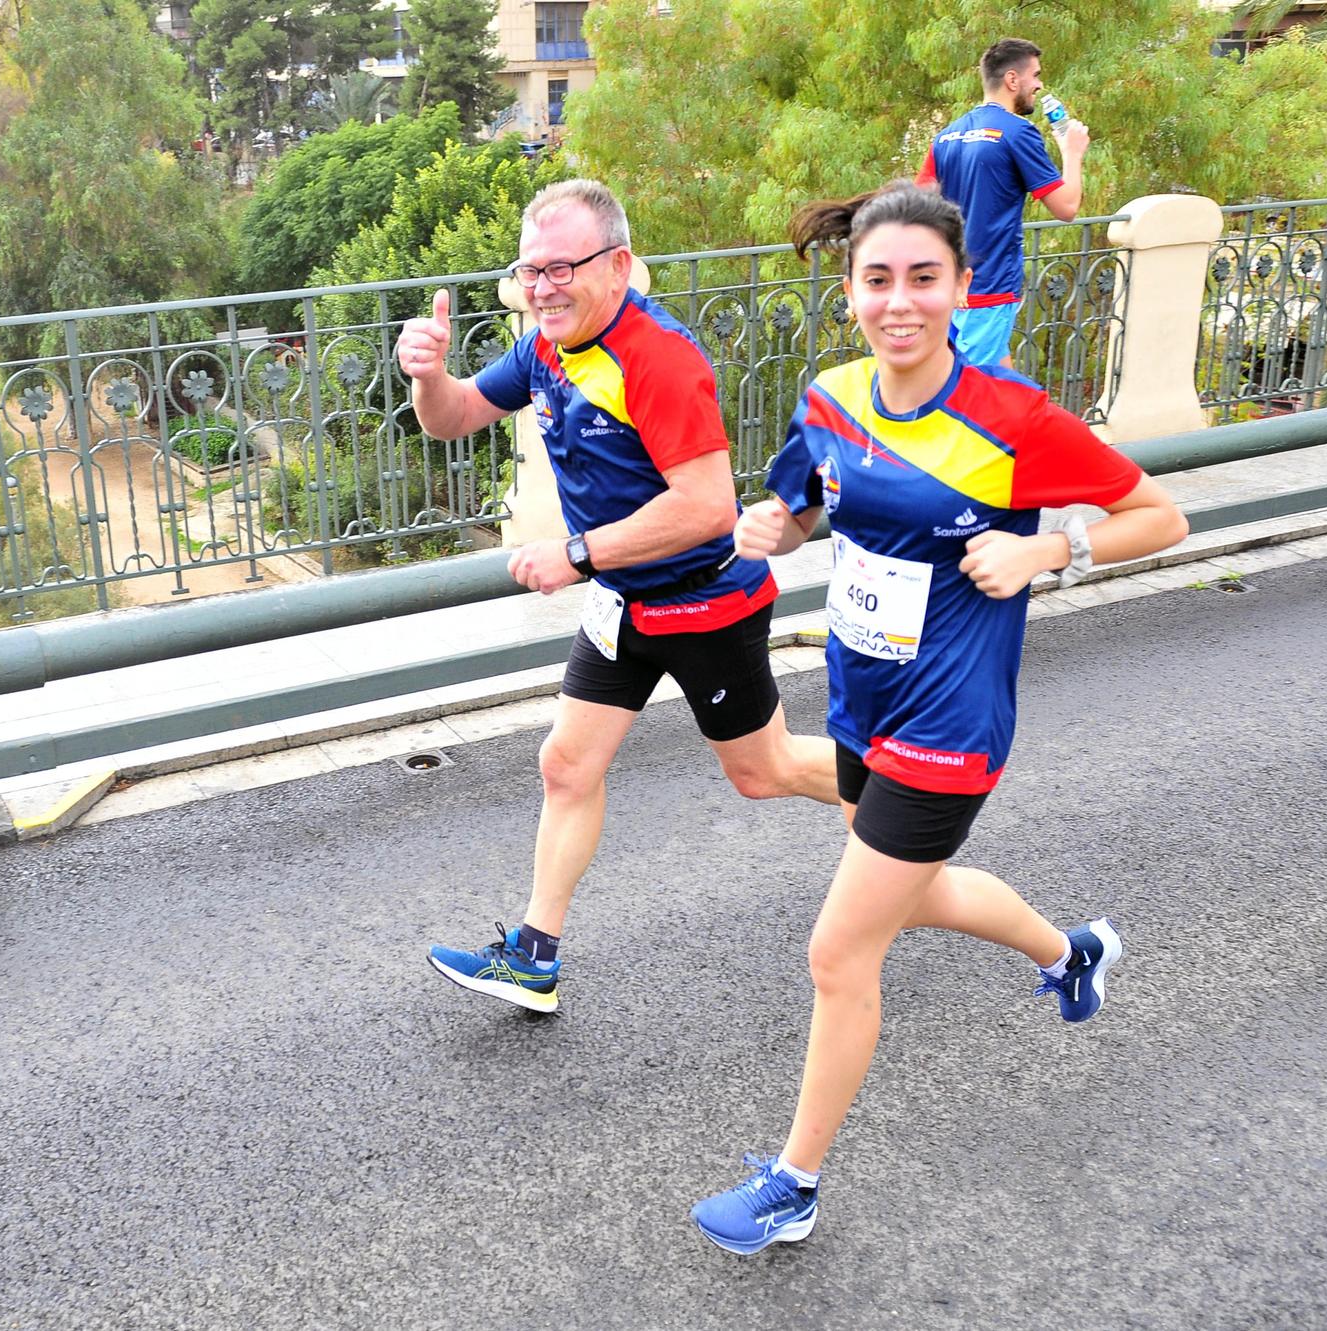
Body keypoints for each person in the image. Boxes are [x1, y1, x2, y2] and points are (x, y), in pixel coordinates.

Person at [687, 181, 1187, 1255]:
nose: (898, 301)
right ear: (850, 288)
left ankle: (793, 1184)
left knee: (838, 950)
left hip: (950, 723)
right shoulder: (828, 398)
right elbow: (802, 494)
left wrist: (1046, 549)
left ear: (961, 287)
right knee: (911, 896)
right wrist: (775, 523)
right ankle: (1070, 951)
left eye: (922, 279)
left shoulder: (1010, 417)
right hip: (862, 697)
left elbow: (1161, 513)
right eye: (877, 280)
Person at [398, 179, 840, 1015]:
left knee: (764, 771)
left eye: (563, 267)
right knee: (566, 765)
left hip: (704, 601)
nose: (544, 287)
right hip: (624, 607)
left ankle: (901, 803)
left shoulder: (658, 357)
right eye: (531, 271)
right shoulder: (546, 349)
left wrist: (578, 553)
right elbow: (453, 416)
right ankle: (534, 959)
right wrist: (428, 373)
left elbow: (708, 504)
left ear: (619, 265)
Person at [917, 37, 1089, 368]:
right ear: (1012, 80)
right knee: (979, 395)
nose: (1039, 85)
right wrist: (1072, 152)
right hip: (989, 287)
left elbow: (918, 208)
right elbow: (1066, 207)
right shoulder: (1017, 132)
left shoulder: (946, 136)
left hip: (946, 288)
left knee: (987, 380)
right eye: (1035, 75)